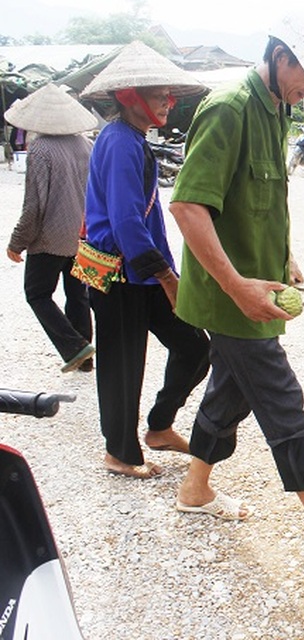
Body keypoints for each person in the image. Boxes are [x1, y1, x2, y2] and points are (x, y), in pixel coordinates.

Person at [168, 17, 304, 556]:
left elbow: (264, 197)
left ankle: (194, 489)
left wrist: (283, 254)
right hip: (231, 296)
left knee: (230, 389)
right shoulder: (230, 108)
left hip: (256, 289)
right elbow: (188, 206)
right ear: (281, 56)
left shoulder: (277, 108)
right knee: (282, 400)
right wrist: (237, 286)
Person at [80, 41, 211, 479]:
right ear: (129, 96)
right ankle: (119, 453)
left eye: (169, 96)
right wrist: (168, 278)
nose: (167, 103)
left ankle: (159, 426)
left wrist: (162, 274)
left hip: (144, 273)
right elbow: (125, 220)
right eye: (159, 95)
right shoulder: (120, 141)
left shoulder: (131, 138)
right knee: (123, 365)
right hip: (122, 273)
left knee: (194, 346)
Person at [5, 83, 98, 373]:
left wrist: (17, 242)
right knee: (78, 294)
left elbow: (34, 206)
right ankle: (86, 358)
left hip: (51, 237)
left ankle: (74, 347)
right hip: (82, 234)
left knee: (37, 293)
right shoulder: (86, 144)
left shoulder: (41, 149)